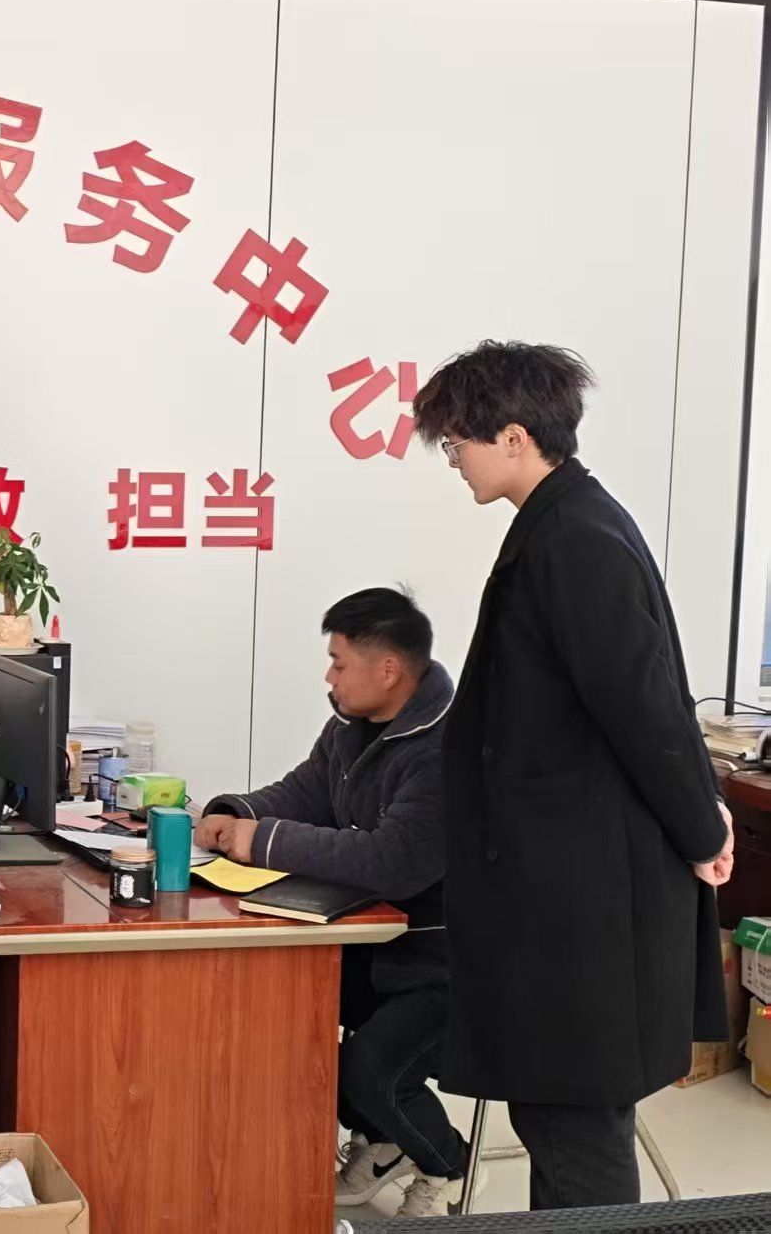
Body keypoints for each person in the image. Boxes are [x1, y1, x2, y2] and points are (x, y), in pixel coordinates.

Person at [411, 340, 734, 1211]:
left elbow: (645, 708)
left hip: (582, 902)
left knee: (576, 1126)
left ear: (515, 437)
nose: (454, 459)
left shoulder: (576, 539)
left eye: (458, 442)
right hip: (565, 892)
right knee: (560, 1116)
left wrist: (703, 826)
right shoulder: (563, 523)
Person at [196, 587, 467, 1217]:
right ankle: (382, 1145)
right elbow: (307, 792)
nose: (330, 677)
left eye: (339, 663)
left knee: (369, 1072)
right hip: (378, 943)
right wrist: (236, 813)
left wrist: (263, 840)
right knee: (285, 1023)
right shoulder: (351, 724)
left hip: (449, 958)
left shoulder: (443, 748)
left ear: (388, 669)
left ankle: (445, 1167)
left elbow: (395, 861)